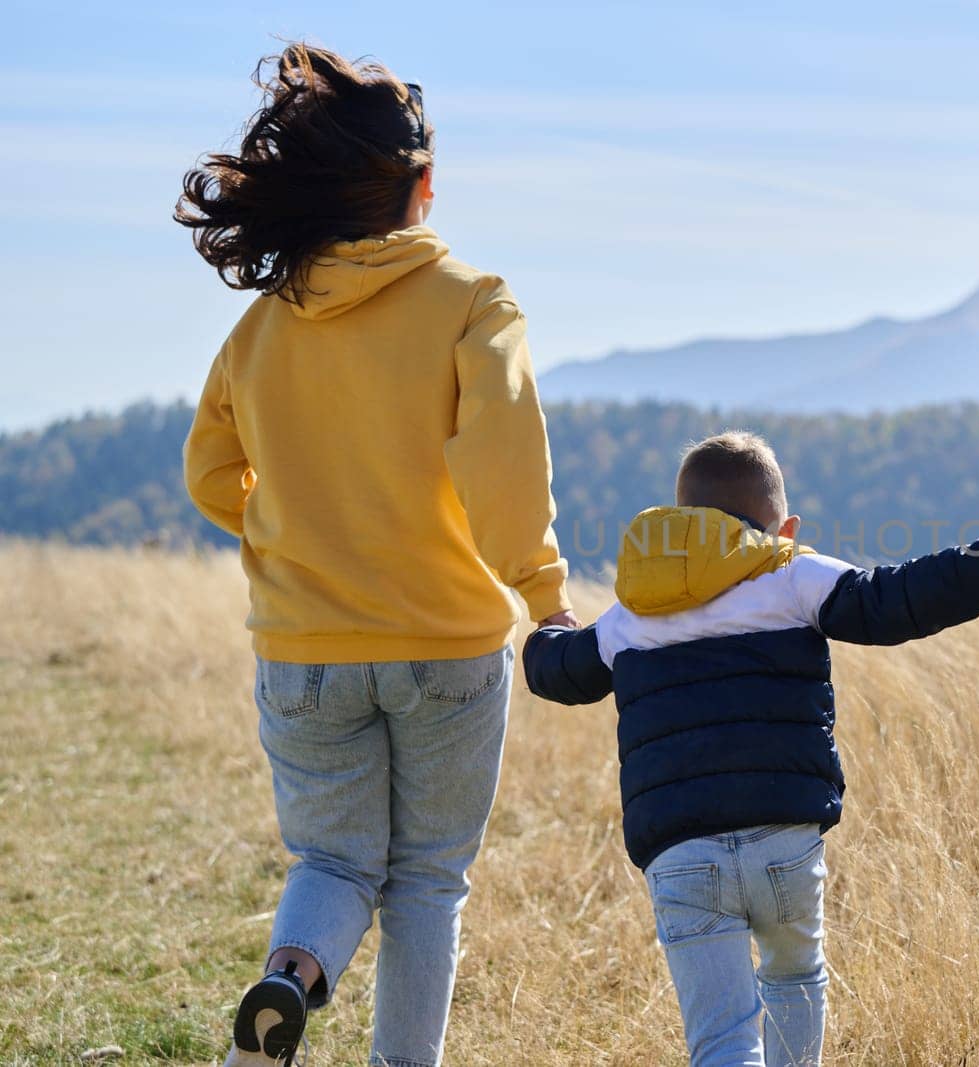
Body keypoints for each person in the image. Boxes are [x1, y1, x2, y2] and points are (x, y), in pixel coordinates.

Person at [177, 43, 574, 1067]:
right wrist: (543, 594)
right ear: (424, 188)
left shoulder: (264, 325)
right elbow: (502, 463)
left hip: (303, 648)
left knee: (333, 859)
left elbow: (210, 473)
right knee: (428, 879)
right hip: (446, 645)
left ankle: (290, 980)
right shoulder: (473, 301)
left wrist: (285, 530)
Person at [523, 431, 979, 1066]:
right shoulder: (791, 574)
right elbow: (901, 598)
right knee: (794, 979)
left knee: (723, 1040)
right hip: (782, 840)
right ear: (782, 528)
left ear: (679, 523)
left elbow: (558, 673)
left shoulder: (630, 615)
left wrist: (548, 630)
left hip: (679, 853)